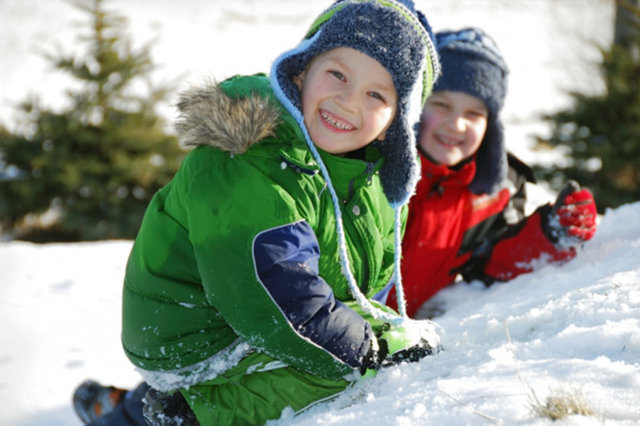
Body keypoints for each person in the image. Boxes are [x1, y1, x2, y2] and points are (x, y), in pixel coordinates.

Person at [72, 1, 442, 425]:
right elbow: (277, 297)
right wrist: (371, 350)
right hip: (194, 339)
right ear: (301, 70)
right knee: (346, 374)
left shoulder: (371, 182)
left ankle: (123, 413)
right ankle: (189, 412)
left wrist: (381, 332)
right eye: (337, 74)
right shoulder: (250, 160)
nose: (348, 100)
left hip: (249, 319)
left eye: (376, 94)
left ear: (397, 119)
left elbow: (353, 290)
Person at [382, 27, 598, 319]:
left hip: (410, 345)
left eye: (474, 114)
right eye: (441, 104)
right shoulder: (376, 166)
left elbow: (491, 263)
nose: (456, 125)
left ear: (491, 125)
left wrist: (551, 232)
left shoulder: (497, 189)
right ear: (415, 104)